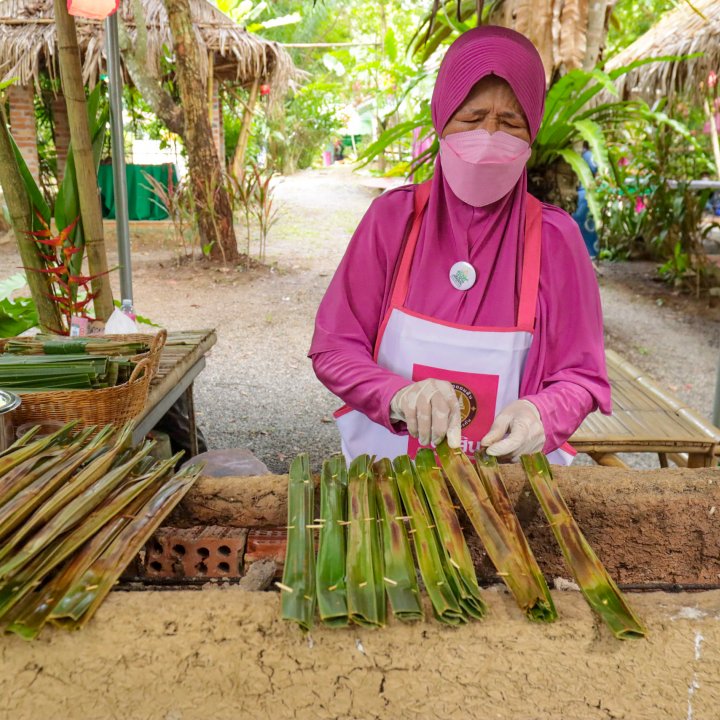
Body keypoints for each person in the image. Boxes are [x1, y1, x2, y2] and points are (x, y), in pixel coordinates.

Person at [309, 26, 611, 465]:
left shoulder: (556, 239)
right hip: (386, 489)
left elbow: (583, 377)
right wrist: (396, 395)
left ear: (532, 130)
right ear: (441, 118)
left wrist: (542, 413)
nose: (489, 136)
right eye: (471, 118)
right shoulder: (392, 220)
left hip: (505, 491)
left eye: (509, 122)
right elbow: (334, 348)